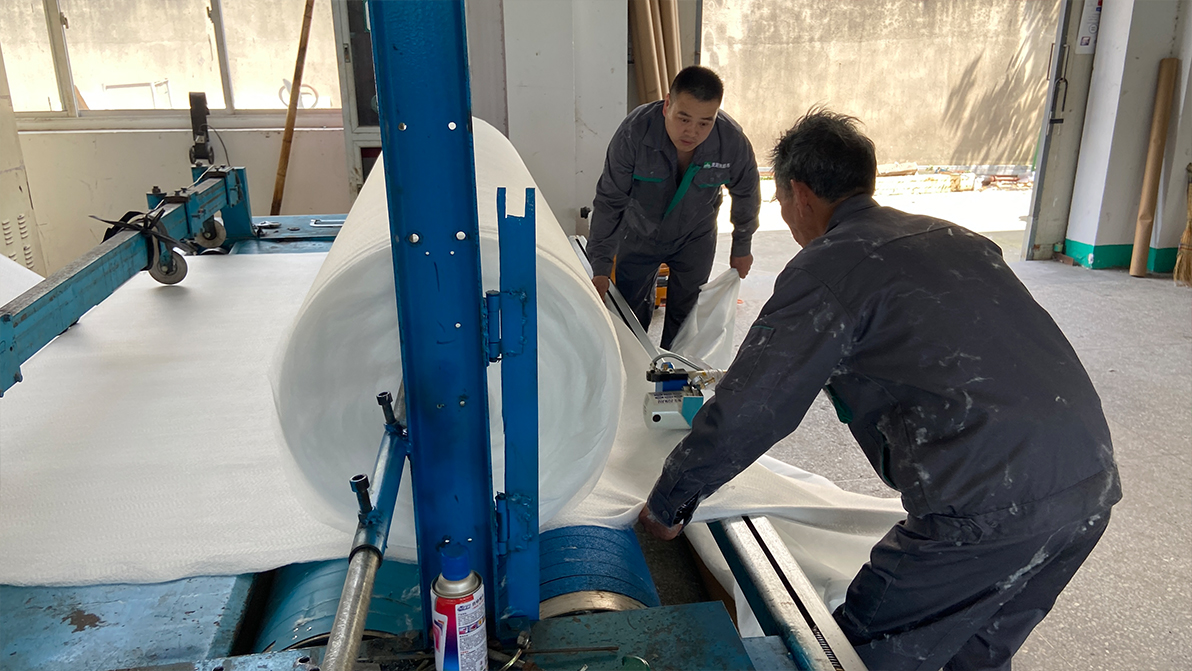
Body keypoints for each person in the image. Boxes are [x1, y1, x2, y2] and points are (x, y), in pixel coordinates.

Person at [637, 109, 1121, 671]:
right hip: (1088, 486)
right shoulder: (955, 237)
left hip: (984, 507)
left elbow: (756, 407)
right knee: (970, 654)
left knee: (853, 657)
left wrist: (670, 500)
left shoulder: (829, 268)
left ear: (800, 195)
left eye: (783, 203)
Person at [587, 65, 760, 349]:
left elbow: (747, 192)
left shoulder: (730, 141)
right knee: (630, 313)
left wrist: (742, 246)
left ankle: (674, 369)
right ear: (668, 104)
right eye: (684, 118)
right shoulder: (635, 133)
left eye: (705, 123)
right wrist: (600, 265)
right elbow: (610, 199)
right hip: (639, 232)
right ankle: (636, 364)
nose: (692, 131)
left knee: (686, 316)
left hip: (695, 235)